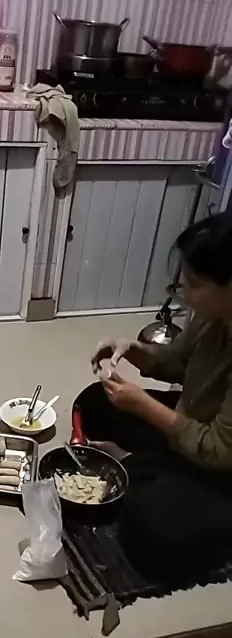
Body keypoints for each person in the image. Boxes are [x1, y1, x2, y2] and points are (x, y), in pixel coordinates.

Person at [80, 212, 232, 576]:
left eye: (195, 285)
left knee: (153, 532)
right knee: (95, 402)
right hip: (189, 426)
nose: (185, 294)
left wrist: (144, 407)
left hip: (221, 468)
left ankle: (144, 470)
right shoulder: (211, 316)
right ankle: (148, 467)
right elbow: (177, 361)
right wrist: (132, 349)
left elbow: (219, 450)